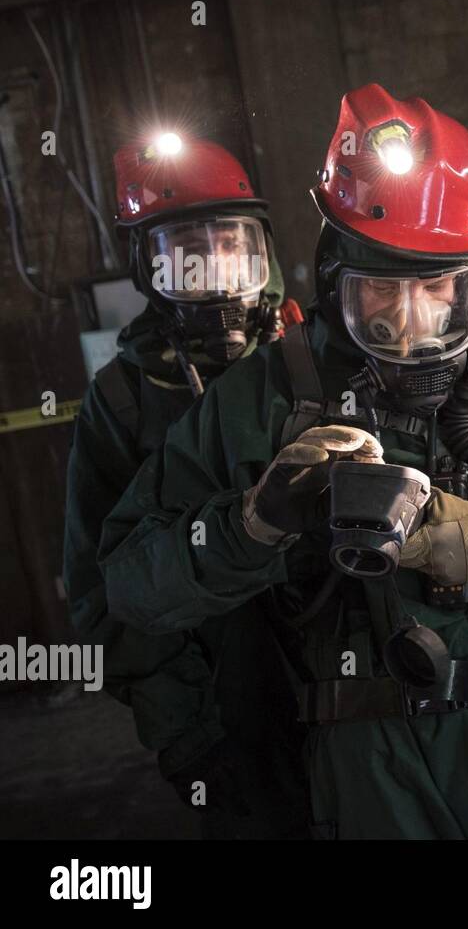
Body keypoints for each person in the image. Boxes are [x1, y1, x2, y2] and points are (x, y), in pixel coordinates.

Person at [100, 83, 468, 839]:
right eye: (382, 291)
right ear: (332, 276)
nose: (414, 327)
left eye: (443, 292)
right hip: (360, 761)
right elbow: (129, 584)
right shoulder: (260, 397)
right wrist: (253, 523)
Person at [63, 132, 307, 837]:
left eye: (233, 244)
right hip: (226, 713)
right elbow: (101, 596)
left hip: (347, 695)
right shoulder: (124, 402)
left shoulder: (307, 360)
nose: (217, 270)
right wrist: (187, 733)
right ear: (148, 267)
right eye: (188, 253)